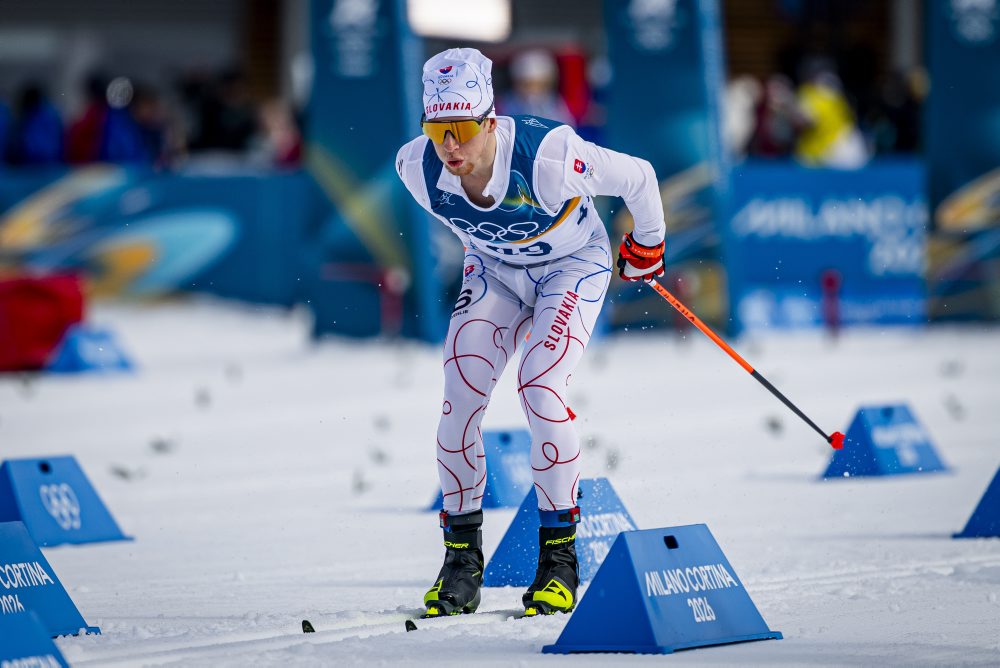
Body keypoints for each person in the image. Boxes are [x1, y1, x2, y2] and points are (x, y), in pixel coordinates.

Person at [395, 48, 666, 618]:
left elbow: (639, 177)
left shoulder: (550, 155)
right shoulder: (414, 169)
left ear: (491, 121)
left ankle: (559, 562)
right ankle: (462, 564)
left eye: (463, 129)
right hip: (495, 271)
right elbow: (474, 232)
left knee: (540, 387)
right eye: (437, 130)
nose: (450, 147)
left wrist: (647, 245)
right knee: (458, 403)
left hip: (571, 267)